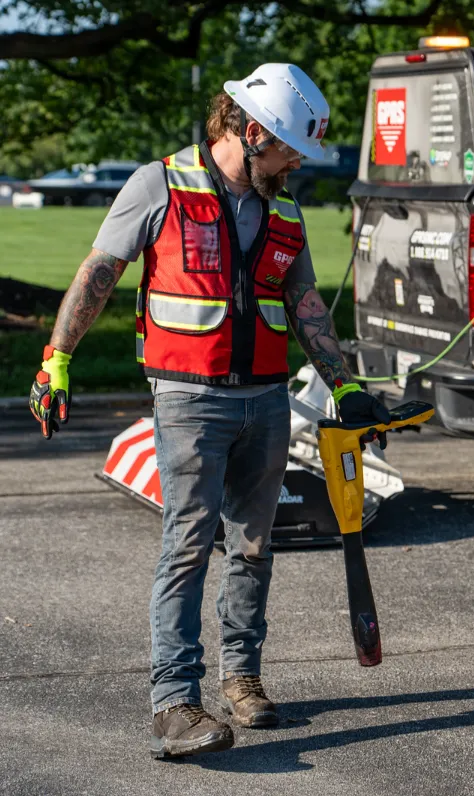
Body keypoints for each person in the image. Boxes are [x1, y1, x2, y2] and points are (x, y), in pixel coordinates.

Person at [28, 63, 391, 759]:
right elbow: (98, 271)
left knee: (254, 545)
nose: (294, 165)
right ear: (251, 132)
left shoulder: (283, 209)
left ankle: (242, 678)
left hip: (265, 398)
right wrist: (58, 357)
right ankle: (173, 704)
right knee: (188, 546)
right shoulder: (158, 184)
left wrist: (343, 385)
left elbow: (305, 301)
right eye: (287, 150)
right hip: (189, 399)